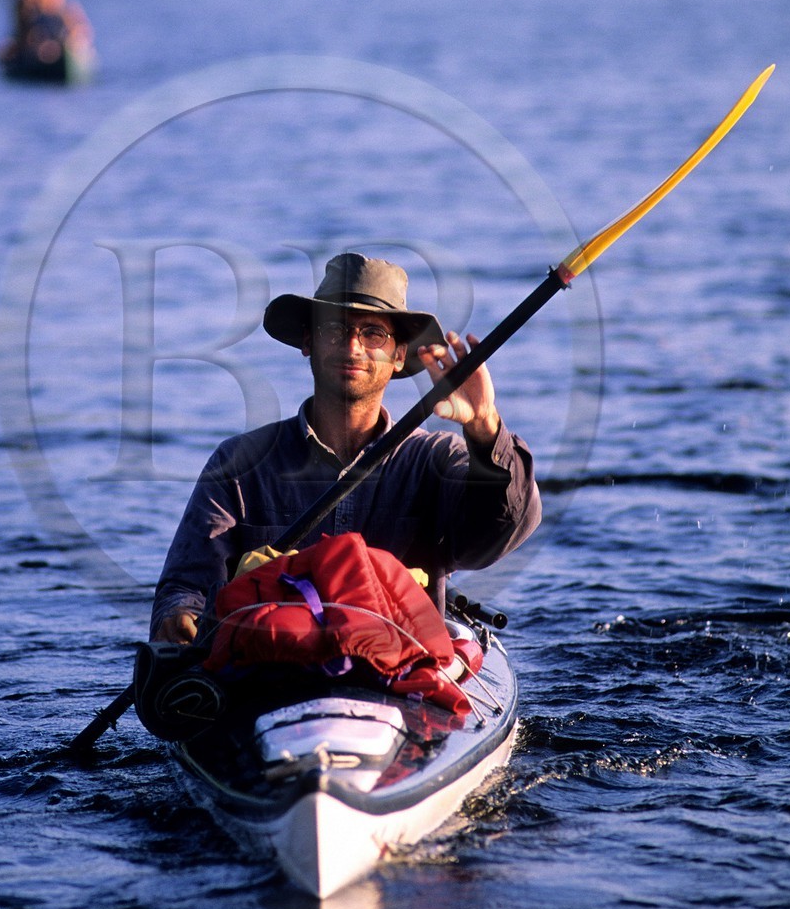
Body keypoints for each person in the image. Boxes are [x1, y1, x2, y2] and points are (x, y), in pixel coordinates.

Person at [150, 252, 541, 643]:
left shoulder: (435, 460)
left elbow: (496, 536)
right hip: (267, 670)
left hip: (400, 676)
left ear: (399, 354)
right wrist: (181, 615)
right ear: (309, 341)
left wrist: (485, 429)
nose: (353, 348)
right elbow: (187, 585)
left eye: (373, 333)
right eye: (334, 330)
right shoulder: (238, 464)